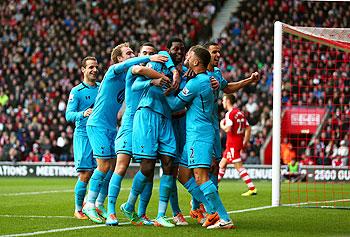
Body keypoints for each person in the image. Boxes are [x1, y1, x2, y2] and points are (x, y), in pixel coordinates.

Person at [82, 42, 168, 224]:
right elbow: (135, 68)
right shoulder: (114, 71)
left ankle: (100, 204)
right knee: (106, 165)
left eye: (132, 52)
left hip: (114, 126)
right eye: (128, 53)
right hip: (98, 124)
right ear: (119, 58)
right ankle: (88, 204)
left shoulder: (129, 76)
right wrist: (150, 59)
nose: (131, 55)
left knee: (115, 166)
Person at [166, 46, 234, 229]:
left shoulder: (198, 82)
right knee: (183, 174)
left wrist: (161, 92)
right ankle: (213, 212)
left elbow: (175, 105)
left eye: (189, 55)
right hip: (194, 134)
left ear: (196, 62)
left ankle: (223, 217)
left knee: (201, 176)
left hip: (199, 134)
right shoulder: (205, 80)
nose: (186, 56)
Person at [105, 42, 172, 226]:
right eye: (143, 53)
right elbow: (138, 68)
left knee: (148, 170)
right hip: (130, 124)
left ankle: (141, 213)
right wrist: (160, 73)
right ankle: (111, 211)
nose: (146, 55)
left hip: (147, 125)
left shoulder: (151, 76)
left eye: (151, 53)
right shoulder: (133, 71)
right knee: (121, 166)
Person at [120, 39, 183, 228]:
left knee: (170, 164)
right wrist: (153, 81)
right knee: (147, 168)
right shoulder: (154, 64)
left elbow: (173, 101)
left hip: (165, 118)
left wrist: (175, 76)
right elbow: (135, 86)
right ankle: (129, 205)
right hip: (146, 115)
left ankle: (161, 215)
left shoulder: (173, 73)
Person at [65, 56, 100, 220]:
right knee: (85, 174)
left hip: (100, 134)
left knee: (102, 171)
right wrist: (83, 113)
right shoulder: (76, 91)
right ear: (83, 70)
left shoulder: (101, 88)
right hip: (83, 135)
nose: (94, 70)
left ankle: (92, 204)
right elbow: (68, 115)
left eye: (96, 67)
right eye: (91, 67)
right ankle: (78, 209)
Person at [219, 94, 257, 196]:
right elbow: (248, 128)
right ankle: (213, 188)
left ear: (227, 101)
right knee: (222, 164)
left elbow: (228, 129)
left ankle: (252, 188)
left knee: (238, 166)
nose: (222, 102)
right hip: (236, 143)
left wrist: (221, 124)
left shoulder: (230, 114)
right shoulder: (240, 113)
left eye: (223, 100)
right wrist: (245, 141)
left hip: (232, 144)